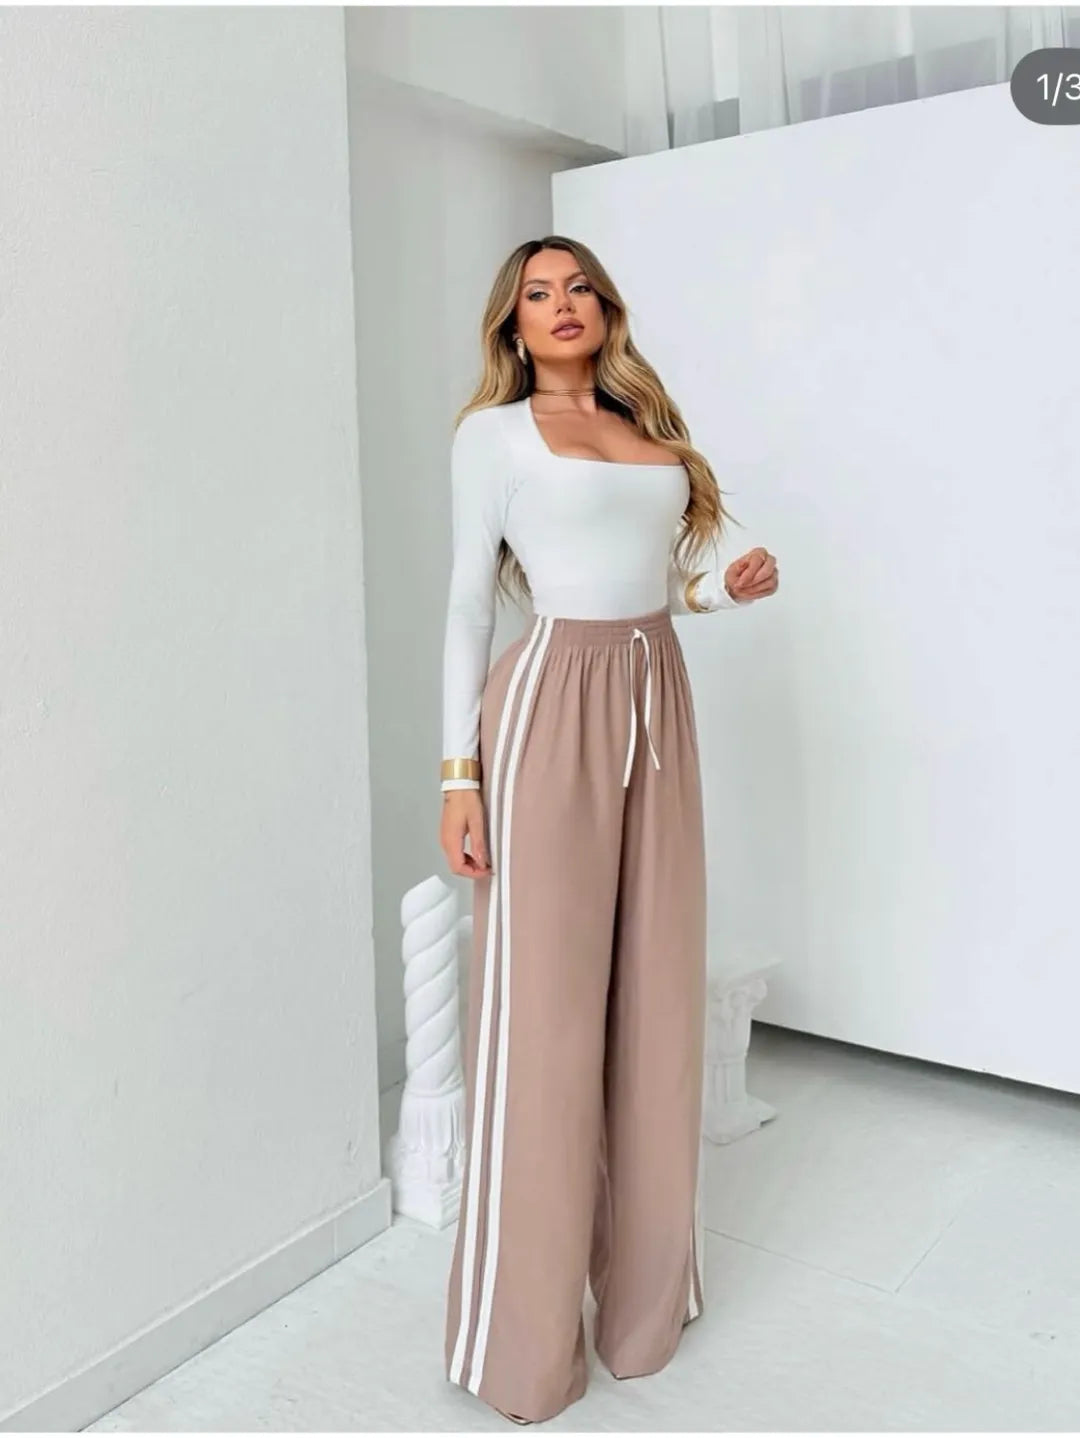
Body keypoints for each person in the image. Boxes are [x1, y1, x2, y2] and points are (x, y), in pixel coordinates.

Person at [438, 234, 779, 1425]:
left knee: (656, 998)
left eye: (578, 285)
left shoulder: (645, 427)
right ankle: (522, 1345)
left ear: (606, 306)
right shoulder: (493, 436)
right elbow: (469, 601)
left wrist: (716, 591)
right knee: (542, 1018)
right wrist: (458, 777)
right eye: (537, 294)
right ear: (514, 325)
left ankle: (642, 1309)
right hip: (547, 709)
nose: (561, 304)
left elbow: (646, 579)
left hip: (656, 694)